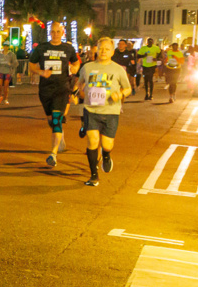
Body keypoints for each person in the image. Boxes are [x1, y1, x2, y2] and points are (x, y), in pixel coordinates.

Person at [74, 37, 131, 186]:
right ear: (96, 50)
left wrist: (120, 94)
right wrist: (77, 92)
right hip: (91, 110)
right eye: (101, 48)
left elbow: (128, 88)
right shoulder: (87, 67)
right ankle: (94, 175)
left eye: (107, 49)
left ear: (112, 52)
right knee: (92, 140)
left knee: (107, 144)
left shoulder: (118, 69)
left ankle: (106, 155)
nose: (103, 51)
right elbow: (79, 83)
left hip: (111, 111)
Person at [28, 22, 80, 168]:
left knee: (56, 119)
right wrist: (41, 72)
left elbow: (76, 63)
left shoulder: (68, 48)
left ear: (63, 33)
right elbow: (31, 65)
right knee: (51, 120)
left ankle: (53, 154)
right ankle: (59, 136)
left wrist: (74, 68)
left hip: (62, 89)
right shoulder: (41, 48)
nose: (55, 34)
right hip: (45, 90)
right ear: (50, 33)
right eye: (53, 31)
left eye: (58, 31)